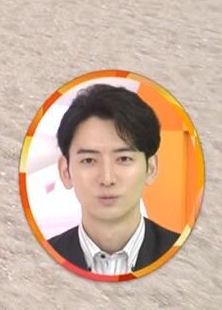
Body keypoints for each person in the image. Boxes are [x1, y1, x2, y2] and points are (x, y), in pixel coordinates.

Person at [47, 84, 181, 275]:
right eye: (89, 160)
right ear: (65, 171)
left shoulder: (183, 254)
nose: (107, 179)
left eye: (124, 159)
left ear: (151, 168)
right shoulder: (42, 257)